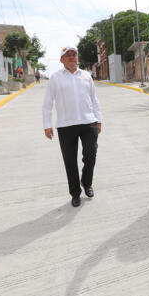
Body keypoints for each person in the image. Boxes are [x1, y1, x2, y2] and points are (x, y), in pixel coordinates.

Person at [43, 46, 102, 207]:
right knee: (70, 162)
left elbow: (94, 99)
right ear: (61, 60)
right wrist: (47, 125)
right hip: (66, 125)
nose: (71, 57)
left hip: (88, 122)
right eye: (67, 55)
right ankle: (75, 193)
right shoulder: (55, 78)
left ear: (77, 58)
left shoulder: (86, 76)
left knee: (91, 156)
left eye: (73, 55)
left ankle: (87, 182)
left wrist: (98, 120)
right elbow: (47, 104)